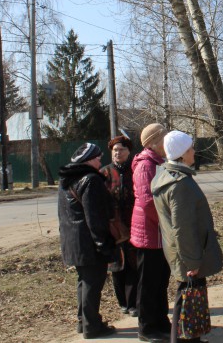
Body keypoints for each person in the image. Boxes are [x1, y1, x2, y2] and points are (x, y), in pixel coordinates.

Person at [152, 131, 223, 343]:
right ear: (182, 154)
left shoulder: (165, 176)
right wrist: (192, 261)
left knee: (188, 296)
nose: (194, 151)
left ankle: (190, 338)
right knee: (187, 298)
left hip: (180, 250)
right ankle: (185, 339)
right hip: (187, 253)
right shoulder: (180, 184)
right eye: (190, 148)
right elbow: (183, 228)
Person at [58, 142, 117, 339]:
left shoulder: (67, 179)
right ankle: (92, 326)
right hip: (88, 243)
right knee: (93, 284)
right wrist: (103, 244)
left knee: (83, 282)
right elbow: (95, 217)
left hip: (72, 241)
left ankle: (83, 322)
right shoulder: (91, 180)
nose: (100, 162)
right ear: (89, 160)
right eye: (98, 158)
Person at [131, 123, 172, 342]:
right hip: (149, 233)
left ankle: (161, 321)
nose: (167, 142)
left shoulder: (159, 162)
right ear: (154, 142)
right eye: (164, 137)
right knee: (148, 283)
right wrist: (167, 222)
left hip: (160, 233)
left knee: (161, 280)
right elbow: (148, 202)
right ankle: (147, 327)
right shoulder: (146, 165)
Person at [101, 135, 138, 316]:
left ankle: (133, 304)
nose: (118, 153)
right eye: (115, 150)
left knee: (133, 264)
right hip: (113, 228)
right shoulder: (105, 173)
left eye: (121, 149)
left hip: (134, 225)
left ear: (128, 151)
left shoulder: (135, 170)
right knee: (117, 266)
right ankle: (122, 302)